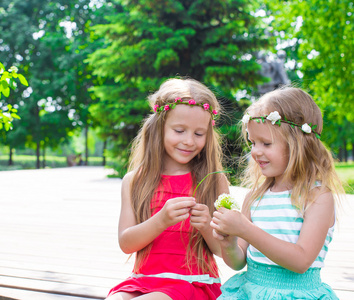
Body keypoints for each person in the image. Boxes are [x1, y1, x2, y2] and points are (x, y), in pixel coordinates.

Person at [210, 86, 344, 299]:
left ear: (297, 144)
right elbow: (238, 262)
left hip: (298, 293)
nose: (255, 151)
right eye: (253, 142)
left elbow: (301, 261)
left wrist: (245, 229)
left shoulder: (317, 197)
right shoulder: (255, 198)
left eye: (266, 143)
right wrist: (230, 243)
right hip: (251, 290)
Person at [107, 78, 230, 300]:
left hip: (193, 283)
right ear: (159, 128)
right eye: (179, 130)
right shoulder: (135, 181)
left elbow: (224, 251)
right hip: (143, 281)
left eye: (198, 134)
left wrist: (205, 227)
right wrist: (161, 220)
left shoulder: (214, 181)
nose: (189, 141)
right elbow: (126, 243)